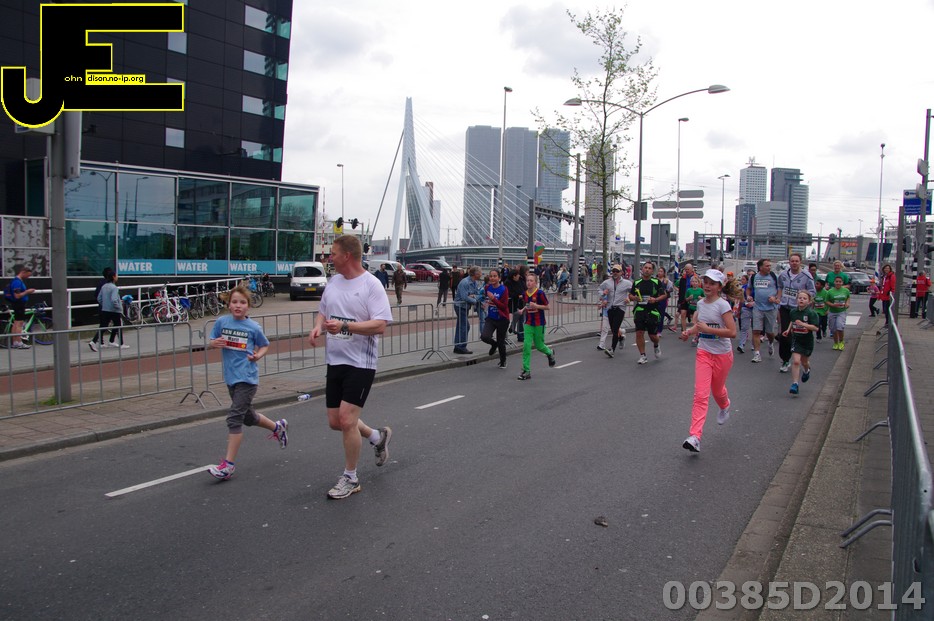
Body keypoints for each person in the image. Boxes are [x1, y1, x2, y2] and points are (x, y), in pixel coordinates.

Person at [308, 235, 394, 500]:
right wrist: (317, 326)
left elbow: (380, 325)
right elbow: (323, 310)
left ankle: (350, 478)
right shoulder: (333, 282)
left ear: (347, 255)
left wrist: (345, 326)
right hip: (335, 359)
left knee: (347, 420)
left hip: (360, 363)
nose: (329, 258)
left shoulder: (371, 285)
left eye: (333, 253)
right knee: (336, 422)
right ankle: (376, 436)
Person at [207, 285, 287, 481]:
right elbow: (212, 340)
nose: (238, 305)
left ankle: (228, 466)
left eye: (242, 303)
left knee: (234, 419)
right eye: (234, 302)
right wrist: (213, 343)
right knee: (248, 417)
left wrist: (257, 356)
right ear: (228, 304)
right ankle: (278, 427)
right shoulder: (222, 322)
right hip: (231, 378)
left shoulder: (253, 327)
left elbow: (265, 345)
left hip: (248, 379)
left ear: (248, 307)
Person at [679, 269, 740, 453]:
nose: (707, 286)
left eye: (712, 283)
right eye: (705, 282)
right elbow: (699, 326)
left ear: (719, 287)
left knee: (717, 390)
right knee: (700, 395)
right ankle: (695, 437)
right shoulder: (700, 304)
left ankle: (725, 405)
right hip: (704, 352)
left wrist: (709, 330)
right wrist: (689, 332)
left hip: (722, 354)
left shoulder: (723, 305)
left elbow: (732, 332)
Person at [776, 253, 815, 374]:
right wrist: (779, 299)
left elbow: (812, 292)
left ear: (800, 262)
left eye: (796, 261)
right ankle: (785, 360)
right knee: (785, 334)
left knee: (797, 334)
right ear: (789, 262)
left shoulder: (806, 276)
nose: (794, 263)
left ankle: (801, 359)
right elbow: (780, 287)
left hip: (798, 309)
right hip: (785, 307)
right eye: (792, 261)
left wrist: (803, 299)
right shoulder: (783, 275)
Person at [517, 272, 556, 380]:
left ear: (535, 283)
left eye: (531, 281)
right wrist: (523, 310)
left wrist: (536, 306)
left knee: (539, 346)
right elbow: (528, 304)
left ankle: (549, 353)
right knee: (526, 346)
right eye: (527, 280)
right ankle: (526, 371)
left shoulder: (540, 293)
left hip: (539, 323)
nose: (529, 282)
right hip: (528, 323)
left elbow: (547, 307)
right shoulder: (525, 294)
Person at [629, 261, 667, 364]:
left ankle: (656, 345)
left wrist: (655, 299)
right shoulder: (637, 282)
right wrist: (635, 298)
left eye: (649, 268)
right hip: (640, 310)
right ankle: (643, 355)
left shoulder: (656, 282)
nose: (647, 270)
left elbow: (664, 295)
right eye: (645, 267)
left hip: (652, 311)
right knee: (639, 333)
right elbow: (630, 295)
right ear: (642, 269)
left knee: (652, 336)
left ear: (652, 271)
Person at [783, 290, 818, 395]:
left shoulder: (811, 313)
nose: (801, 300)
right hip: (796, 339)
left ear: (809, 301)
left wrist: (803, 324)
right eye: (800, 298)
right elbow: (792, 321)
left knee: (804, 362)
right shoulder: (793, 312)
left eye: (804, 298)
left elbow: (815, 328)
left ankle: (807, 370)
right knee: (796, 361)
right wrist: (788, 330)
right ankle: (795, 384)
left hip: (807, 341)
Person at [747, 258, 779, 364]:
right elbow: (749, 288)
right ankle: (757, 354)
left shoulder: (774, 276)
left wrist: (775, 298)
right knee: (756, 331)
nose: (769, 267)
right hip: (758, 307)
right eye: (767, 266)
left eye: (770, 266)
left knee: (770, 332)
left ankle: (770, 343)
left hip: (771, 308)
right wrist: (748, 296)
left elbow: (780, 289)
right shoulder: (754, 277)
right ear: (760, 267)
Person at [89, 268, 129, 351]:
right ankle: (121, 344)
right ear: (113, 277)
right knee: (118, 325)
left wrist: (105, 304)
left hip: (105, 309)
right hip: (114, 310)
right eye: (116, 275)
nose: (117, 277)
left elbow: (99, 298)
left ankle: (93, 341)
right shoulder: (114, 288)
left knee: (103, 326)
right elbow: (114, 300)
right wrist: (119, 307)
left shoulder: (104, 286)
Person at [598, 264, 632, 358]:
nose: (615, 273)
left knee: (616, 328)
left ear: (621, 272)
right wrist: (603, 293)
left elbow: (634, 291)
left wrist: (629, 298)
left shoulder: (627, 283)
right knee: (613, 330)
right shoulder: (607, 282)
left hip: (620, 308)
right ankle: (621, 338)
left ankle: (612, 350)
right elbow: (599, 289)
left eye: (617, 271)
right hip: (610, 308)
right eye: (614, 271)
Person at [479, 268, 509, 369]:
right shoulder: (487, 288)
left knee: (501, 341)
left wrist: (493, 299)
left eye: (495, 276)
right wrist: (484, 302)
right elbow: (483, 297)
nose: (492, 278)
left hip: (502, 318)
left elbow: (504, 306)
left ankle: (503, 361)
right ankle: (493, 344)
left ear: (499, 278)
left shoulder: (503, 289)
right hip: (491, 318)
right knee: (484, 336)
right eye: (491, 276)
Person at [4, 264, 36, 349]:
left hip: (17, 304)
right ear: (23, 272)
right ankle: (19, 342)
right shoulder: (17, 282)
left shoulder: (17, 281)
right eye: (27, 275)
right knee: (19, 323)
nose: (28, 277)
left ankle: (15, 342)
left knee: (16, 323)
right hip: (19, 304)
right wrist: (27, 291)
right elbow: (17, 295)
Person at [453, 266, 481, 354]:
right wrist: (475, 300)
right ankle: (461, 346)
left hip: (465, 306)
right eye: (480, 273)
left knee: (461, 325)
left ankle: (458, 346)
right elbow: (464, 297)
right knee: (465, 326)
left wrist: (473, 297)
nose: (481, 274)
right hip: (460, 306)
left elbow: (477, 294)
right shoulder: (465, 282)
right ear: (476, 274)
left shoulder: (474, 282)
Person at [826, 275, 851, 350]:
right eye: (836, 281)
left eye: (840, 282)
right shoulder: (830, 291)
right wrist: (833, 305)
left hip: (841, 311)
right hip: (832, 312)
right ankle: (836, 343)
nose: (838, 283)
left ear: (842, 283)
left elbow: (848, 297)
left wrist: (847, 303)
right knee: (833, 329)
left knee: (840, 327)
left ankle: (841, 342)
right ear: (834, 282)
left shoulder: (845, 290)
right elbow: (826, 301)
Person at [506, 267, 526, 343]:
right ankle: (512, 331)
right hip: (512, 303)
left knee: (520, 318)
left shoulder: (520, 281)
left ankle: (519, 334)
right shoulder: (508, 282)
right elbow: (509, 293)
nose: (519, 276)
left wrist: (523, 295)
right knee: (515, 316)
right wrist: (518, 295)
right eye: (517, 275)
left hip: (520, 302)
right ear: (514, 276)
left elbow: (524, 289)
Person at [736, 274, 754, 353]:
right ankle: (741, 345)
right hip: (745, 308)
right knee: (744, 328)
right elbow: (741, 300)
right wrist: (739, 310)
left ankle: (754, 344)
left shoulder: (758, 288)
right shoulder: (743, 288)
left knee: (755, 328)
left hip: (756, 309)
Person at [676, 262, 696, 333]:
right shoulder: (683, 278)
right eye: (685, 269)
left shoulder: (695, 278)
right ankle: (684, 331)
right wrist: (680, 299)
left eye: (688, 269)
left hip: (693, 299)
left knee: (693, 316)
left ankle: (694, 332)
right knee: (683, 314)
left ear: (692, 269)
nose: (686, 271)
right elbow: (680, 289)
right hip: (684, 299)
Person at [656, 267, 674, 335]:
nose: (659, 273)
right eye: (659, 271)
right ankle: (654, 328)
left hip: (663, 299)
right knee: (655, 314)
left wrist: (666, 290)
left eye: (661, 271)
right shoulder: (655, 280)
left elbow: (671, 288)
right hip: (655, 299)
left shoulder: (666, 280)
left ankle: (659, 331)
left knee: (661, 315)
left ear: (664, 273)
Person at [879, 263, 895, 329]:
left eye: (888, 268)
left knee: (887, 310)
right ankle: (887, 322)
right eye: (885, 268)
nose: (886, 269)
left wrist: (891, 292)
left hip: (888, 296)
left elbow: (893, 285)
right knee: (885, 310)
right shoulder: (884, 277)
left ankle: (888, 323)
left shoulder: (891, 276)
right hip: (884, 296)